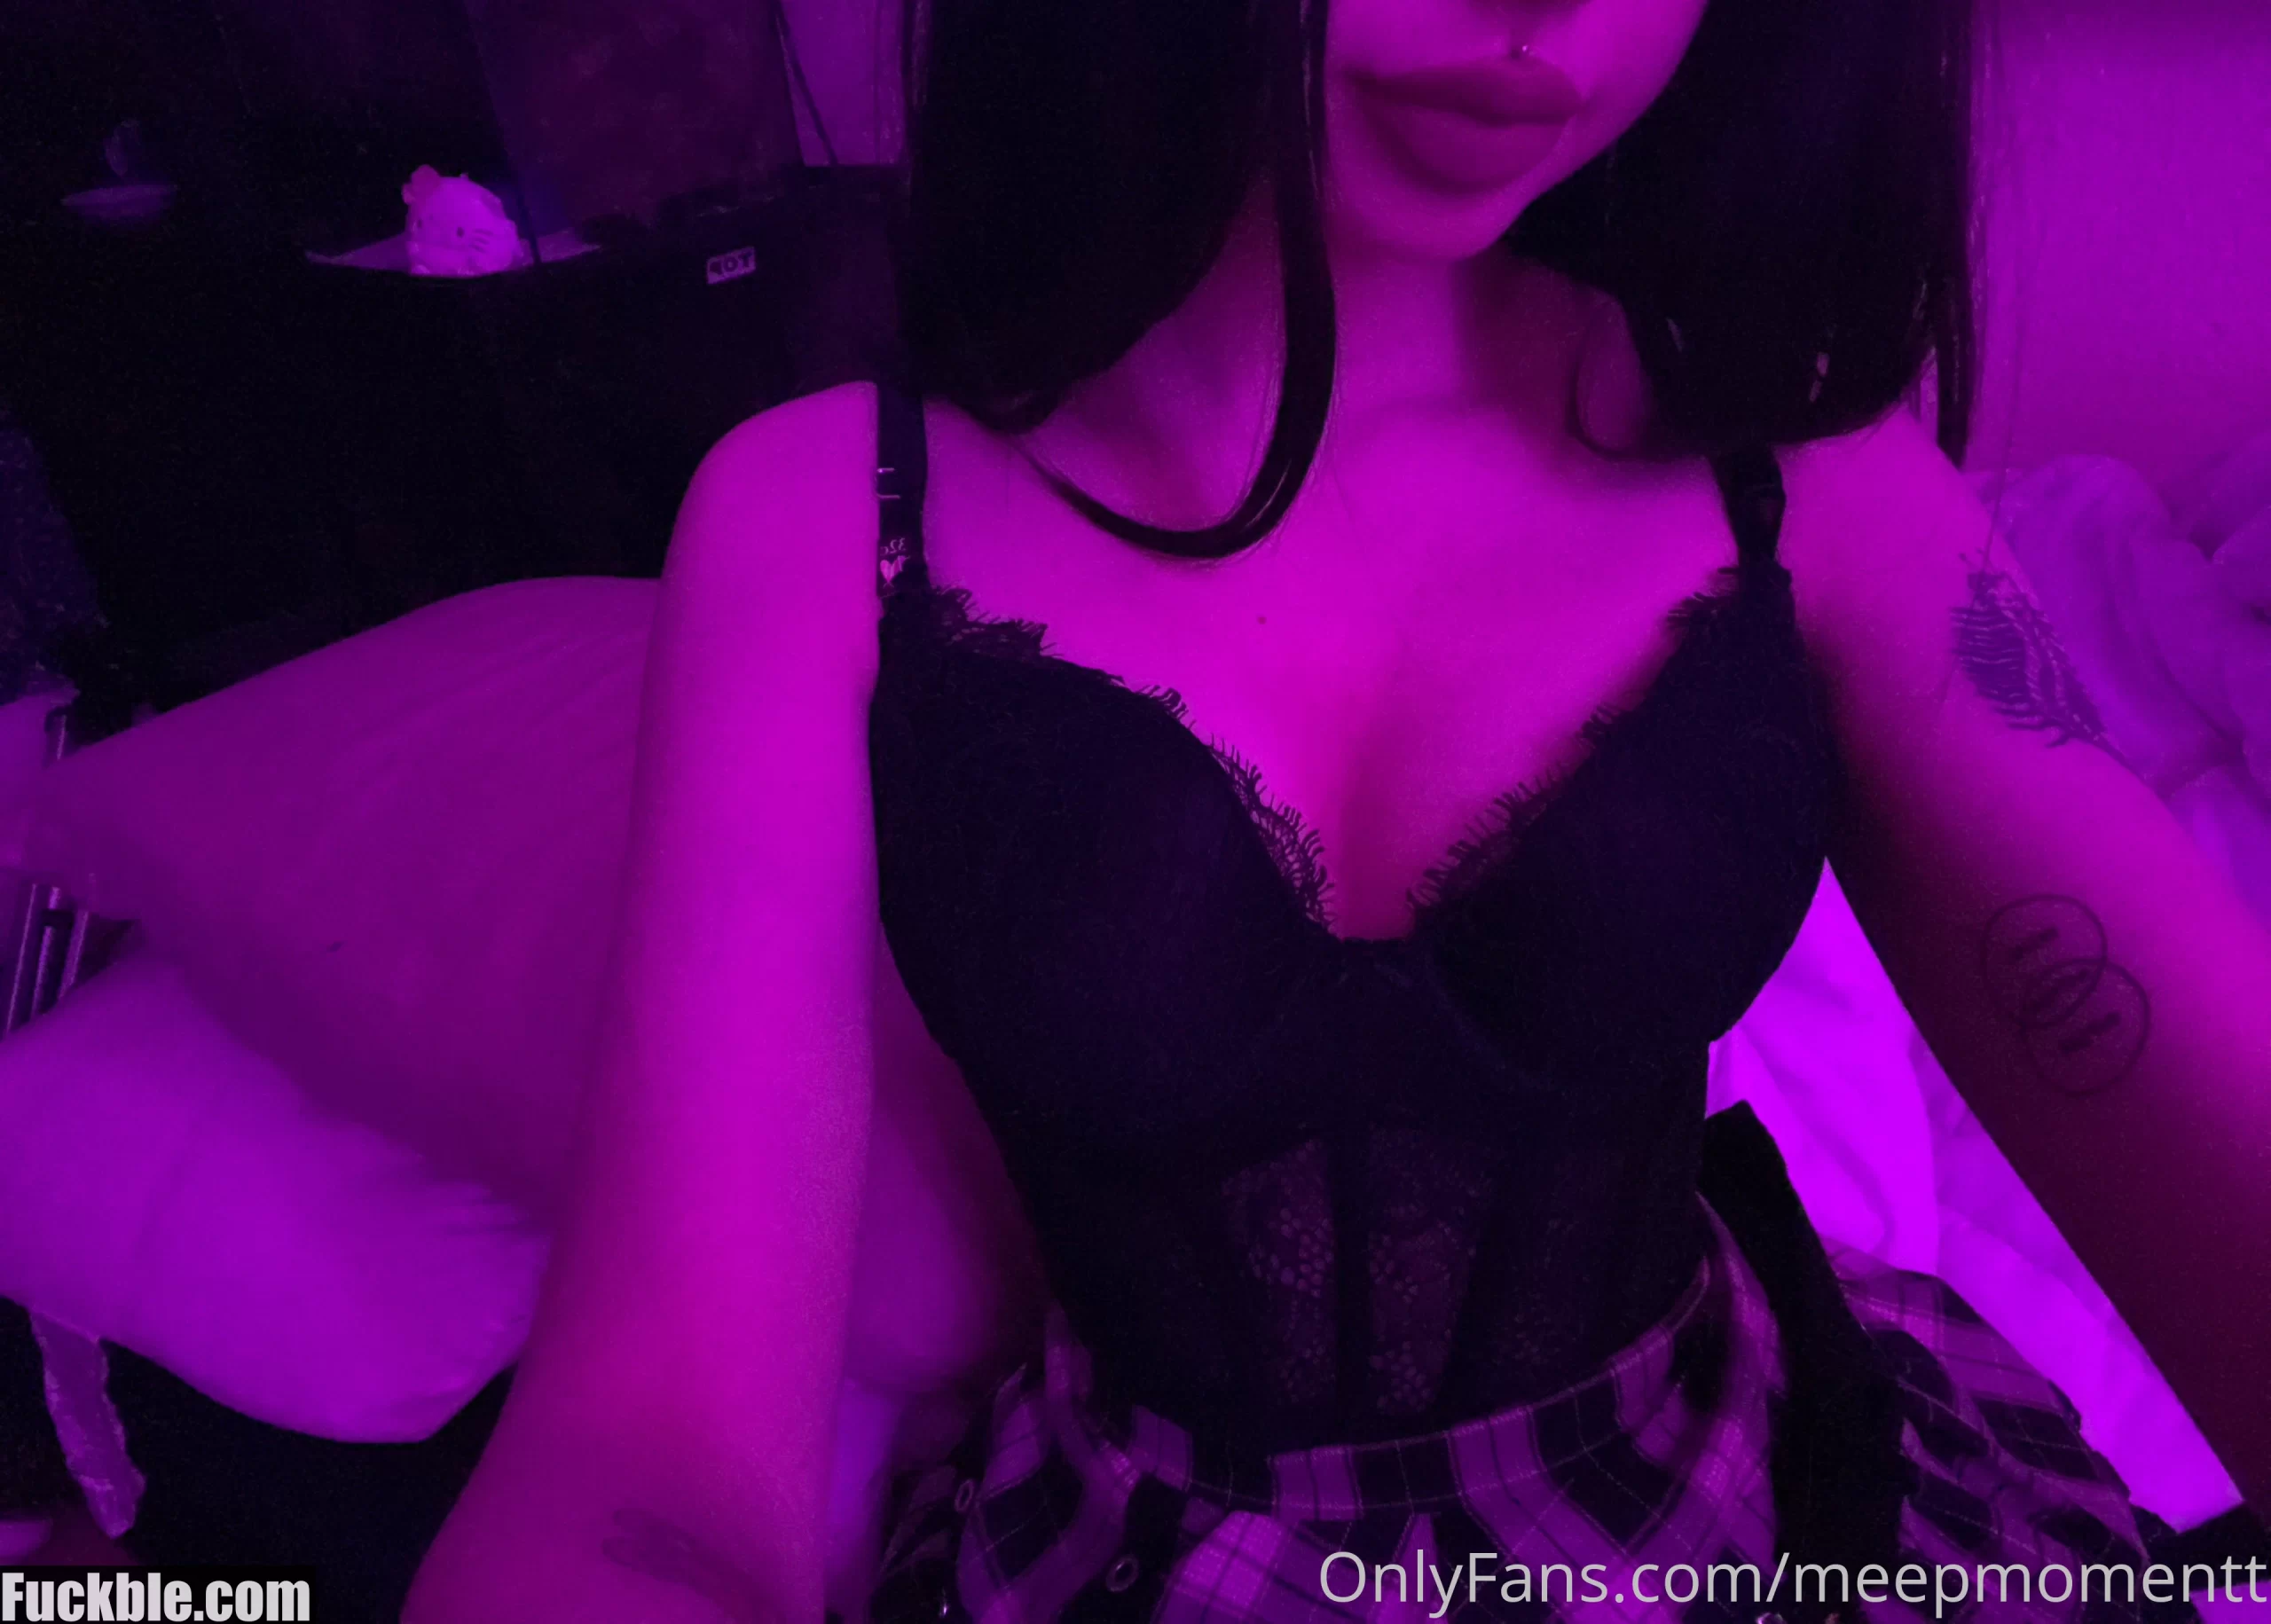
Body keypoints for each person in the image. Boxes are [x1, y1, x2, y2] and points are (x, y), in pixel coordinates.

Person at [408, 0, 2271, 1619]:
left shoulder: (1800, 469)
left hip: (1752, 1495)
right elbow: (652, 1440)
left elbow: (2200, 1089)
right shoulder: (820, 526)